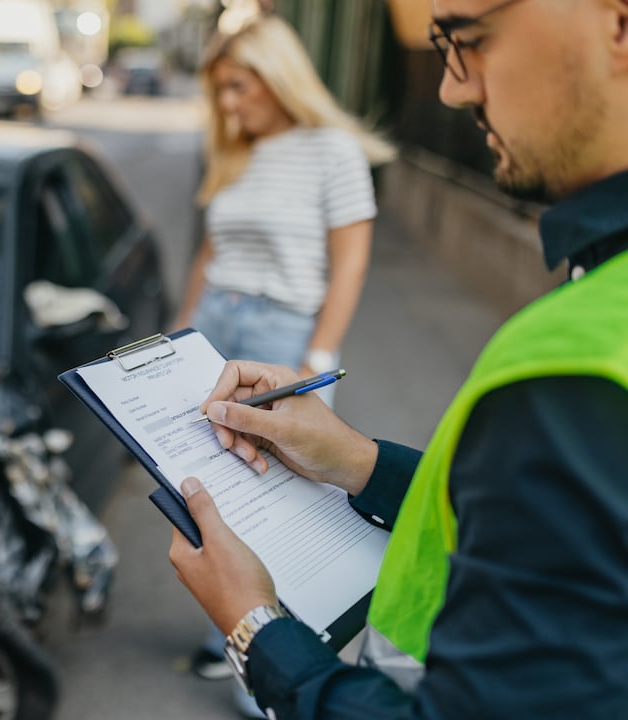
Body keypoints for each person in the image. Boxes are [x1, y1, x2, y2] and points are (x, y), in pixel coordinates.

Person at [168, 0, 628, 717]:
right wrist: (359, 460)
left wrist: (257, 629)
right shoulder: (596, 312)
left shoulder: (573, 370)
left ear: (620, 24)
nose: (452, 87)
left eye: (469, 38)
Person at [173, 13, 395, 404]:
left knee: (277, 462)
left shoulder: (334, 150)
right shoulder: (231, 152)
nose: (227, 103)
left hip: (284, 333)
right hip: (212, 317)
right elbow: (211, 250)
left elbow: (350, 267)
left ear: (278, 78)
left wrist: (317, 360)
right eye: (220, 89)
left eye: (237, 87)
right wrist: (181, 327)